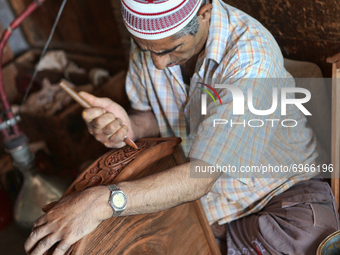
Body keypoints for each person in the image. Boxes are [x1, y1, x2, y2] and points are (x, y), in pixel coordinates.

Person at [24, 0, 339, 254]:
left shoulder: (250, 61)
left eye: (168, 50)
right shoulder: (153, 40)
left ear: (205, 12)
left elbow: (198, 178)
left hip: (279, 198)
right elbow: (153, 117)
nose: (157, 62)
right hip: (209, 207)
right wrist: (128, 125)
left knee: (309, 238)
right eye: (147, 50)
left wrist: (99, 202)